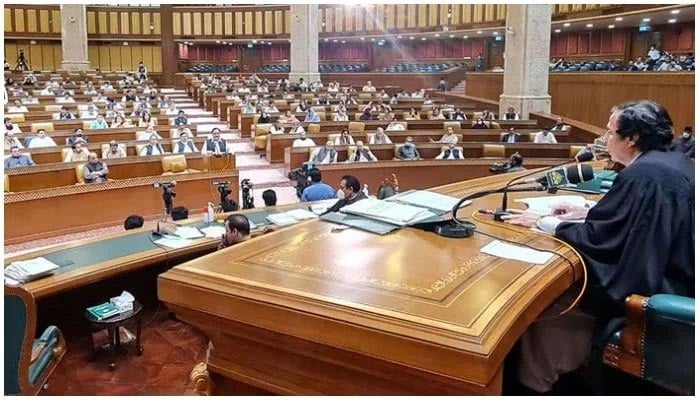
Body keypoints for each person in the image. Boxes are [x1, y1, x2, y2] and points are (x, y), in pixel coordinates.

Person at [502, 100, 694, 394]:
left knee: (550, 304)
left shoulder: (645, 175)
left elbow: (605, 242)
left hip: (656, 292)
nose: (604, 139)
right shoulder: (673, 163)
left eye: (610, 132)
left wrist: (544, 222)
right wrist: (589, 214)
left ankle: (533, 385)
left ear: (631, 139)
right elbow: (642, 222)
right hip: (680, 274)